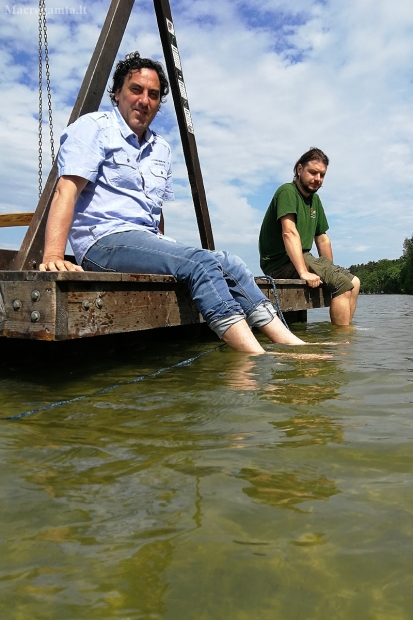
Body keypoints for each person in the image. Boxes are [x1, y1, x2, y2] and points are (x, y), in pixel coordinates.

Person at [39, 51, 306, 353]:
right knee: (201, 263)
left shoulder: (161, 148)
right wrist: (53, 254)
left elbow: (156, 211)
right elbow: (66, 191)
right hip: (103, 241)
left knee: (231, 262)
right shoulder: (94, 128)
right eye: (136, 89)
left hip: (142, 240)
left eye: (153, 95)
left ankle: (291, 345)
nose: (144, 100)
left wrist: (165, 251)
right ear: (117, 93)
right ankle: (254, 355)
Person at [259, 148, 360, 325]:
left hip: (303, 258)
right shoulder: (287, 192)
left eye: (322, 175)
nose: (318, 179)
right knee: (342, 286)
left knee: (355, 282)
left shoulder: (315, 200)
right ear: (299, 170)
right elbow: (288, 232)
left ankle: (345, 336)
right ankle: (340, 344)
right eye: (313, 173)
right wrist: (303, 272)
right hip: (280, 262)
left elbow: (322, 238)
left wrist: (329, 269)